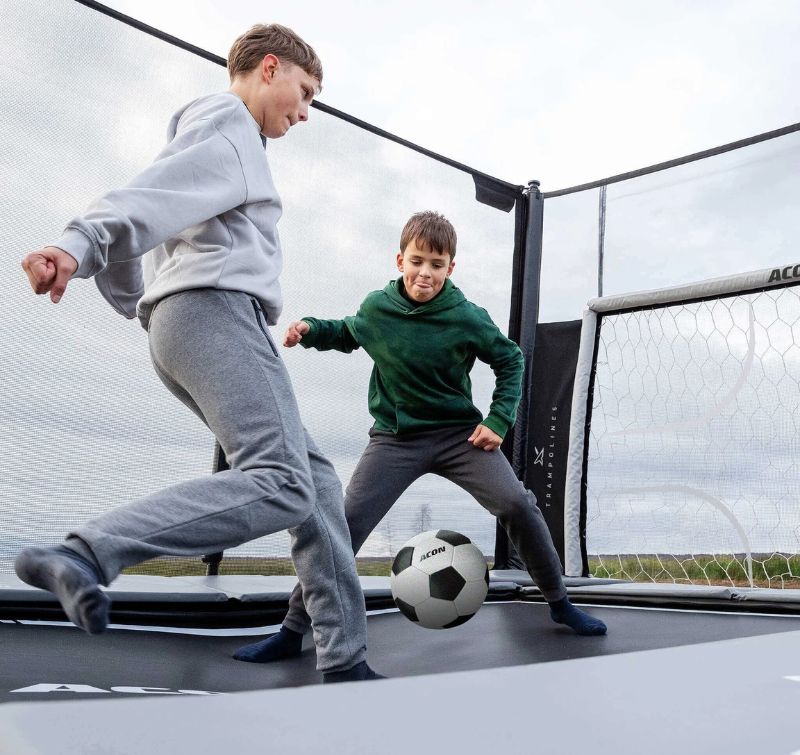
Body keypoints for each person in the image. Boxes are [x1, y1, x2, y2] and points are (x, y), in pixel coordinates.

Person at [16, 24, 381, 683]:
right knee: (286, 481)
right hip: (215, 316)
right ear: (269, 68)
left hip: (189, 323)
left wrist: (140, 301)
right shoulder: (231, 124)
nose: (305, 112)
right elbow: (143, 203)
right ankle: (86, 554)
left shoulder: (207, 139)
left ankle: (345, 656)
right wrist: (77, 244)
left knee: (317, 479)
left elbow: (150, 216)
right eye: (305, 93)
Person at [233, 210, 606, 664]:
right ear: (399, 260)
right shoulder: (379, 308)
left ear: (451, 268)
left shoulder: (467, 317)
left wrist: (499, 419)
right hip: (395, 439)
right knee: (343, 525)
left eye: (436, 263)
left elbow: (509, 360)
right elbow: (350, 331)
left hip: (458, 436)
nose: (424, 272)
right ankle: (292, 629)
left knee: (516, 503)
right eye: (417, 261)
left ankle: (560, 602)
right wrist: (310, 330)